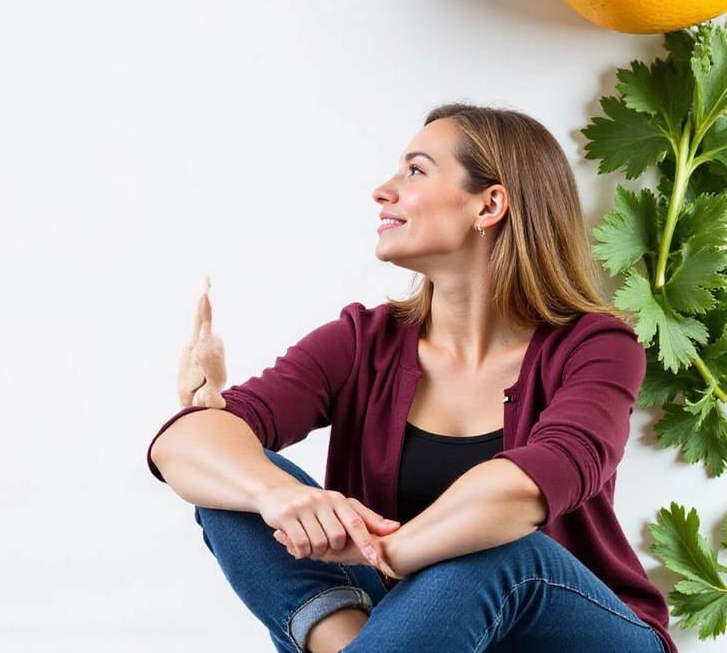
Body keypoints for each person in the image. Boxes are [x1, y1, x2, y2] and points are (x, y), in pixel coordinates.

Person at [145, 103, 673, 653]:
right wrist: (275, 495)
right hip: (412, 635)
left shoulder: (596, 346)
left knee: (497, 548)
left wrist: (386, 553)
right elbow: (182, 445)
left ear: (489, 205)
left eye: (415, 170)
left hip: (579, 635)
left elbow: (524, 492)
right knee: (236, 485)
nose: (382, 190)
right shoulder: (360, 341)